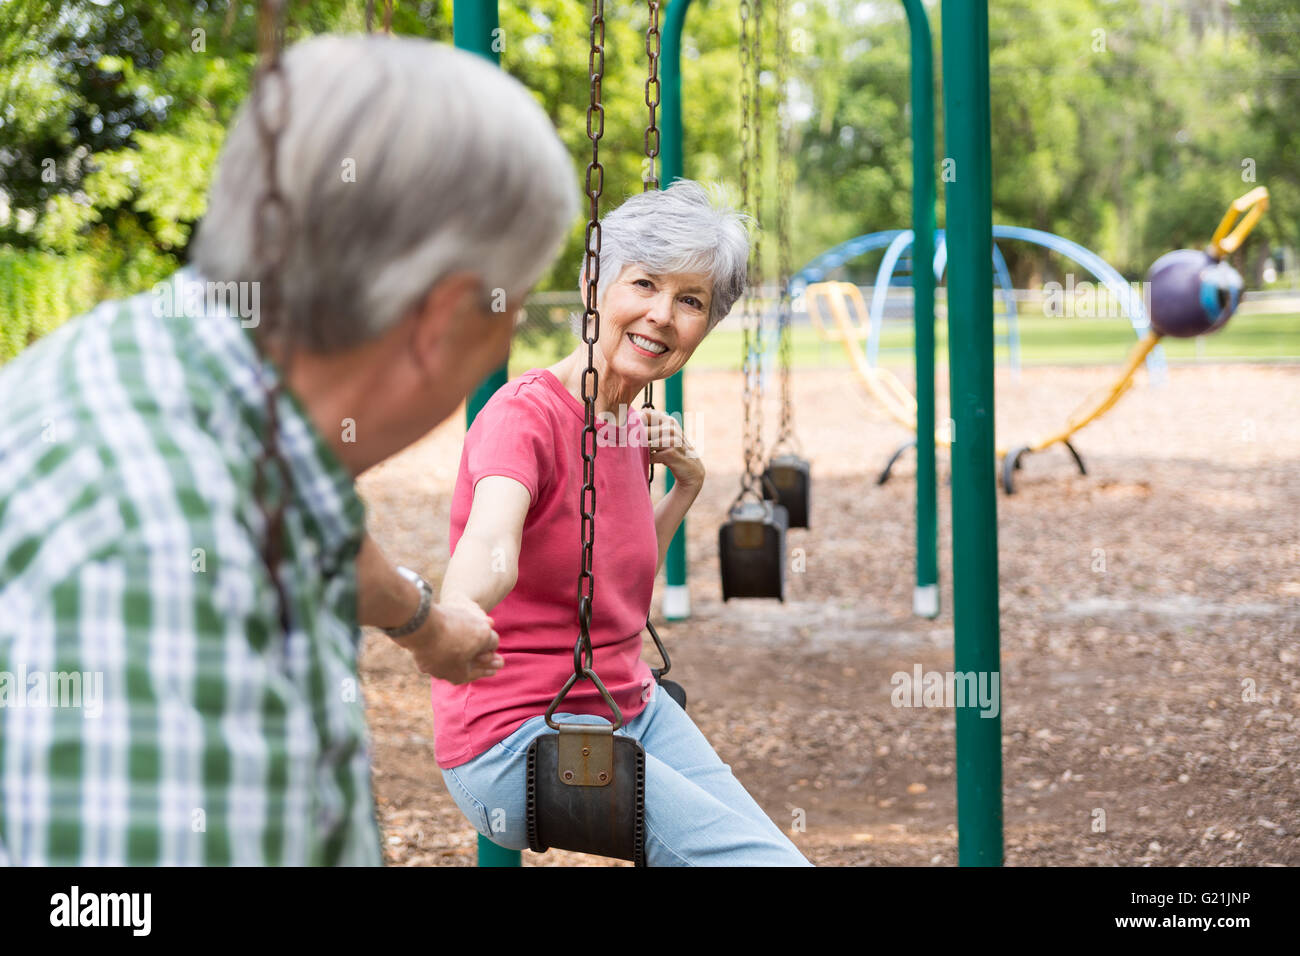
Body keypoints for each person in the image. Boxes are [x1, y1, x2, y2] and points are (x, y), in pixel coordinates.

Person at [0, 34, 577, 865]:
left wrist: (427, 624)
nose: (505, 348)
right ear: (444, 322)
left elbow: (329, 537)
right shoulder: (155, 559)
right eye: (508, 311)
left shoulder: (192, 370)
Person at [435, 180, 811, 866]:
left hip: (626, 708)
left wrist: (686, 486)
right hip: (519, 737)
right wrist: (455, 610)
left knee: (773, 855)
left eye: (690, 301)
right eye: (644, 283)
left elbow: (615, 582)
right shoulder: (526, 416)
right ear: (594, 283)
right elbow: (492, 540)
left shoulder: (632, 430)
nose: (663, 315)